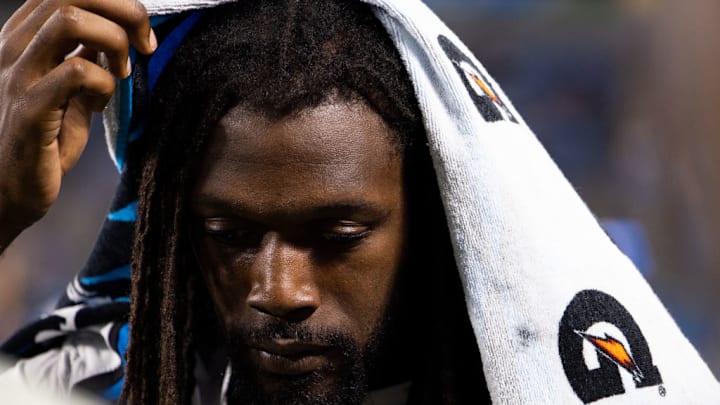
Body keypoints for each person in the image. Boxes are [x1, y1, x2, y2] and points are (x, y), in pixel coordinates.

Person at [1, 0, 718, 404]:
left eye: (339, 234)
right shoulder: (88, 388)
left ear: (436, 221)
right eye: (229, 233)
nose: (278, 289)